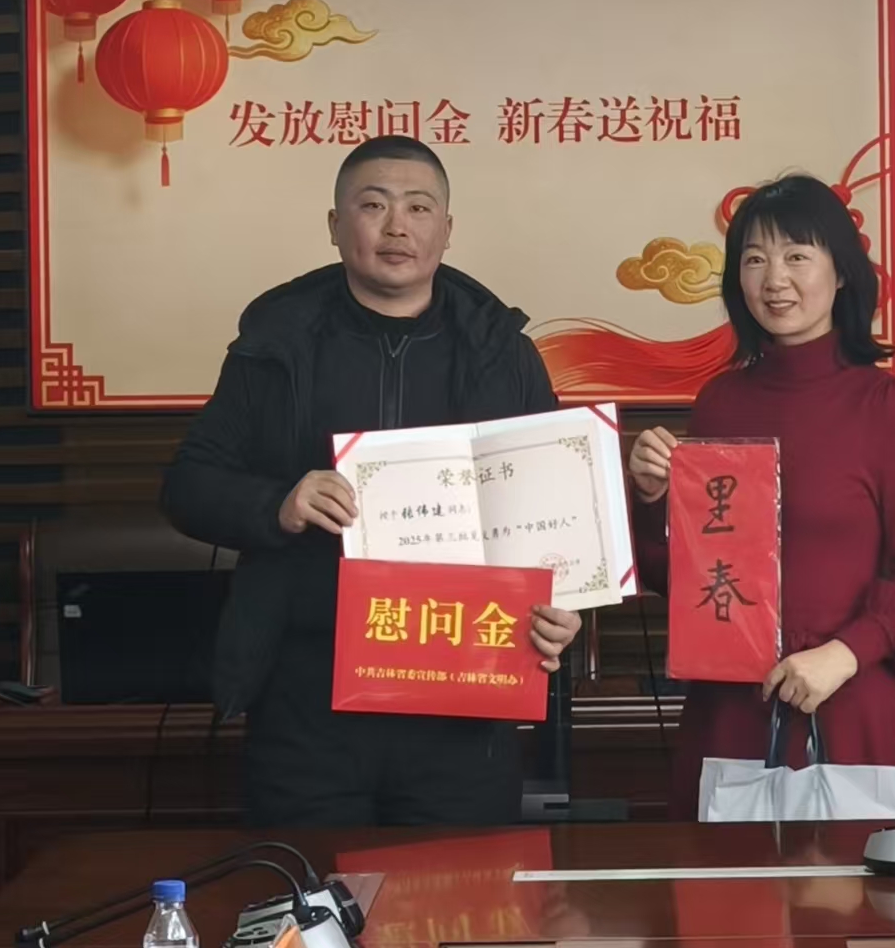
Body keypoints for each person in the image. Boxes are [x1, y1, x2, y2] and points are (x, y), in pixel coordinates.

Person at [161, 135, 582, 826]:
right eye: (373, 205)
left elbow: (554, 516)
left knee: (457, 889)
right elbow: (187, 484)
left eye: (418, 207)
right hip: (307, 694)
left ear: (447, 228)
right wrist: (279, 503)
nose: (396, 227)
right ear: (335, 225)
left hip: (463, 696)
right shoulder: (275, 346)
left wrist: (562, 607)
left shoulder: (502, 354)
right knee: (308, 888)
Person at [627, 173, 895, 820]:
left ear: (841, 274)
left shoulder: (890, 408)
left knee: (855, 884)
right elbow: (690, 579)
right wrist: (650, 498)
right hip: (729, 709)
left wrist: (843, 654)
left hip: (845, 701)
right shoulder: (721, 402)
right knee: (721, 884)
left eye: (796, 256)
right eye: (754, 259)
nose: (774, 278)